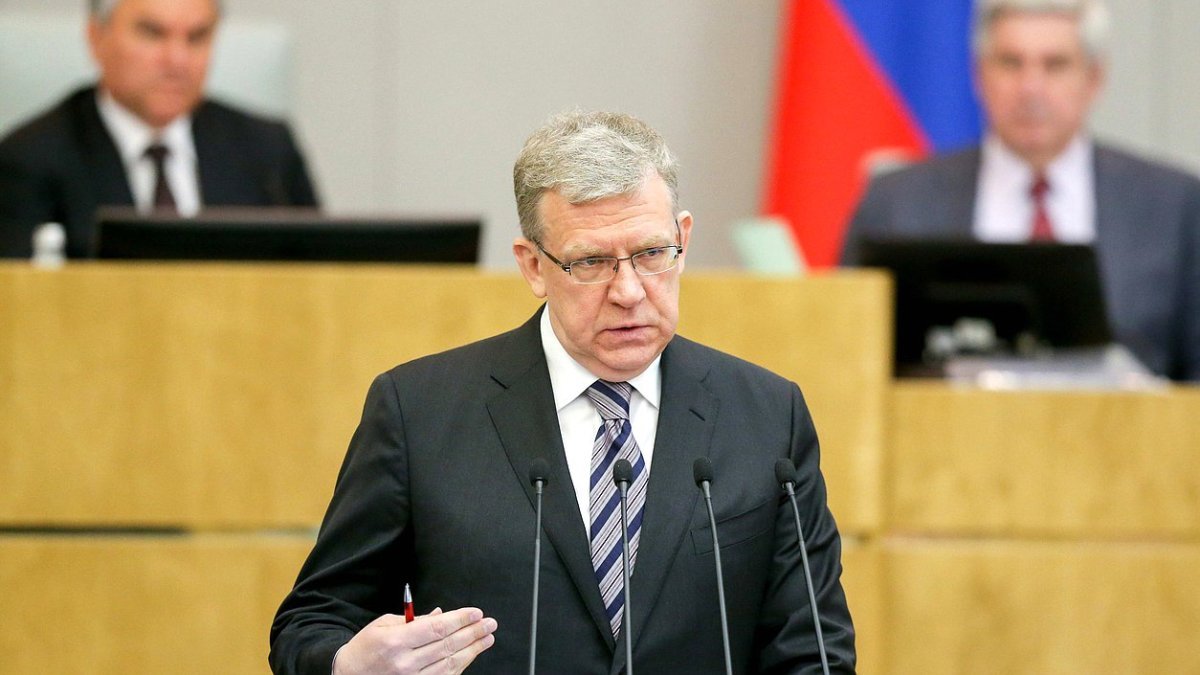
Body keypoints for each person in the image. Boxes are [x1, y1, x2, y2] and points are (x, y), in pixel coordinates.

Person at [269, 111, 856, 674]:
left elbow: (814, 650)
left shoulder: (767, 415)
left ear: (683, 239)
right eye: (592, 262)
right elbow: (311, 622)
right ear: (533, 266)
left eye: (652, 254)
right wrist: (346, 665)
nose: (629, 291)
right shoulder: (418, 412)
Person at [841, 0, 1200, 382]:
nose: (1031, 88)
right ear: (979, 74)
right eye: (1011, 63)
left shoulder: (1174, 207)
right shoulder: (897, 203)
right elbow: (847, 358)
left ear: (1094, 78)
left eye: (1055, 65)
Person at [0, 0, 319, 259]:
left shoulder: (267, 151)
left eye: (197, 37)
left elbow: (322, 281)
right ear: (97, 38)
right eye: (152, 34)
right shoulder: (29, 160)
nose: (177, 61)